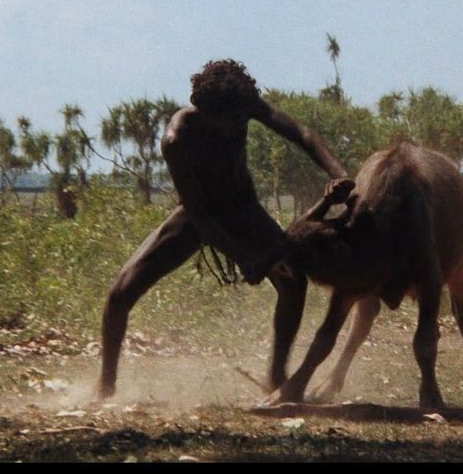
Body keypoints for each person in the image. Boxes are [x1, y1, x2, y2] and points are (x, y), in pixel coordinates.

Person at [98, 59, 354, 399]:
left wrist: (338, 174)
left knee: (292, 280)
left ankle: (277, 377)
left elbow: (303, 135)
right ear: (204, 111)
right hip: (197, 217)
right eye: (229, 121)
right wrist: (246, 261)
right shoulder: (177, 139)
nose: (237, 127)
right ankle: (106, 388)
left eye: (241, 119)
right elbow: (200, 215)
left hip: (243, 210)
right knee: (119, 295)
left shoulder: (242, 105)